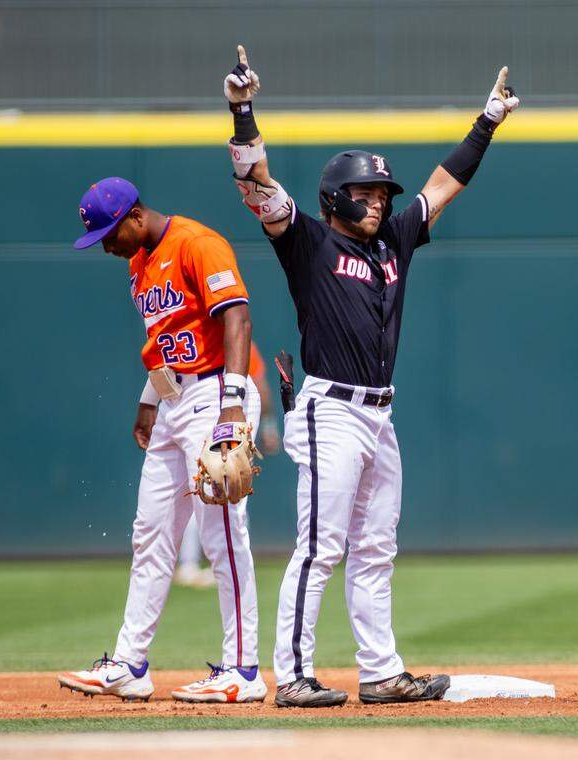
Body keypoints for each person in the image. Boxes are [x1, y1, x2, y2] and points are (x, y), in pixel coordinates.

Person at [221, 46, 520, 707]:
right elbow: (255, 183)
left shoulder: (394, 243)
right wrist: (242, 110)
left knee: (377, 547)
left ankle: (381, 673)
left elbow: (442, 186)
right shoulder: (308, 241)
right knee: (320, 545)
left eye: (383, 192)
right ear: (335, 197)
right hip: (330, 410)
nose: (380, 202)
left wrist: (487, 122)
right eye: (366, 193)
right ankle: (293, 674)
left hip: (380, 414)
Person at [57, 177, 267, 704]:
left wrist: (235, 405)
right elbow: (166, 342)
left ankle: (243, 670)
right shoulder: (139, 265)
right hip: (175, 402)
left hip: (218, 392)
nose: (106, 245)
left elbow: (237, 317)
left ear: (134, 216)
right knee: (150, 534)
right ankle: (130, 664)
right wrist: (149, 400)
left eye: (109, 233)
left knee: (221, 533)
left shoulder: (197, 243)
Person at [175, 340, 282, 589]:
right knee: (231, 490)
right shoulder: (239, 340)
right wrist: (268, 426)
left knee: (202, 488)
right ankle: (226, 562)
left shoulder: (194, 340)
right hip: (227, 421)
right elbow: (261, 387)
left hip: (198, 417)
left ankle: (193, 564)